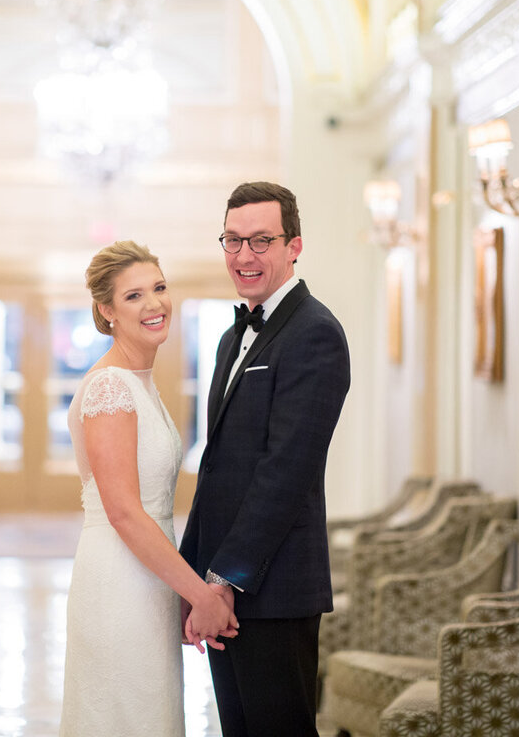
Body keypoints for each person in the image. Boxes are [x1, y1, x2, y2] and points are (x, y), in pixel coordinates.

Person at [179, 182, 351, 737]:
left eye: (260, 240)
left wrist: (225, 581)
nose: (244, 256)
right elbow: (218, 468)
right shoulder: (235, 335)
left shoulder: (315, 334)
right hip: (220, 587)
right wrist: (194, 581)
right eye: (232, 240)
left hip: (273, 590)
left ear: (293, 245)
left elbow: (285, 473)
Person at [60, 240, 239, 737]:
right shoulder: (111, 388)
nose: (155, 304)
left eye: (159, 288)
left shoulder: (140, 381)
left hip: (148, 576)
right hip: (119, 580)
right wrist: (200, 595)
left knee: (151, 716)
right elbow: (123, 512)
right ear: (107, 310)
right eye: (134, 295)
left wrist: (179, 587)